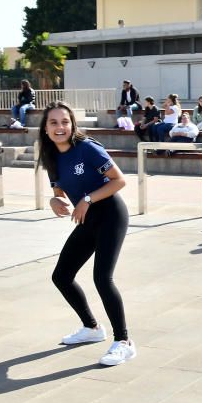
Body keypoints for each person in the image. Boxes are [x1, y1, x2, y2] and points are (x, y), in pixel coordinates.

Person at [39, 101, 136, 366]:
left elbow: (119, 180)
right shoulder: (51, 156)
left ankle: (124, 342)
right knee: (61, 276)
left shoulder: (87, 148)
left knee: (103, 278)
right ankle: (92, 329)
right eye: (54, 123)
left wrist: (88, 200)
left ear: (72, 124)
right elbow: (59, 192)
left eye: (65, 122)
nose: (60, 127)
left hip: (110, 214)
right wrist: (54, 201)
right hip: (88, 218)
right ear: (46, 128)